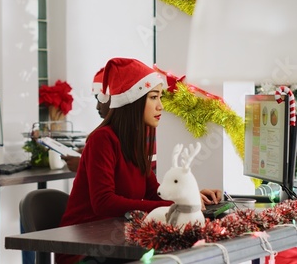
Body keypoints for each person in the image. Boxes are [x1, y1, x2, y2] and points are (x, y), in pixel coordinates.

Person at [55, 58, 222, 264]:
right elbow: (104, 203)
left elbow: (153, 191)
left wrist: (186, 199)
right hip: (88, 249)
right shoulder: (102, 139)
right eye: (153, 97)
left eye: (160, 97)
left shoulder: (140, 140)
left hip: (122, 241)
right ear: (132, 102)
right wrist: (172, 206)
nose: (160, 106)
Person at [61, 67, 110, 172]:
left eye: (100, 100)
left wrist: (83, 165)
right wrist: (86, 152)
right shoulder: (108, 133)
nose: (97, 107)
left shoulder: (107, 135)